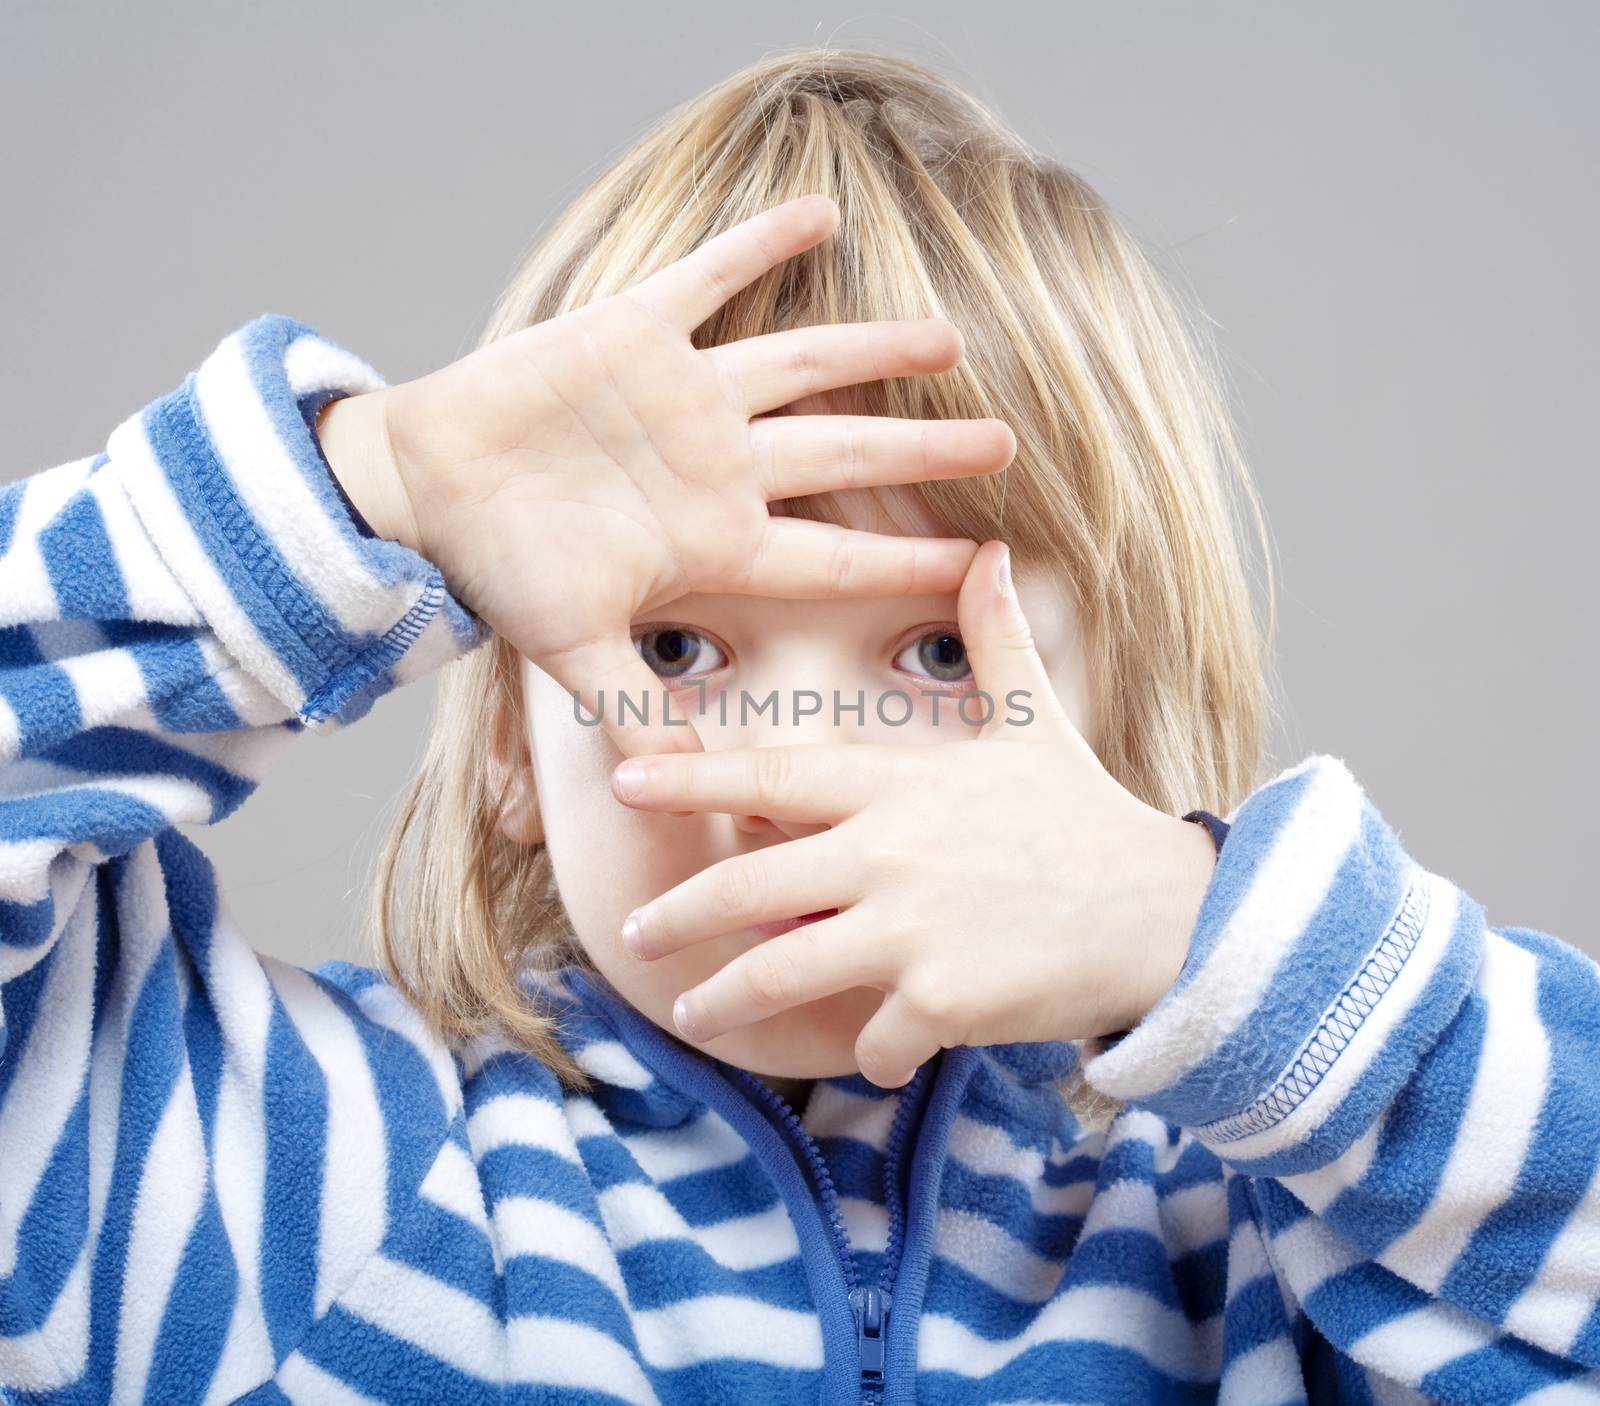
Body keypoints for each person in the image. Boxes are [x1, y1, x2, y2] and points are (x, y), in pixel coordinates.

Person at [1, 47, 1594, 1406]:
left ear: (1121, 736)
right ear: (505, 745)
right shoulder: (312, 1184)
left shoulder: (1271, 1249)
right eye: (681, 639)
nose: (803, 771)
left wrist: (1199, 929)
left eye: (935, 651)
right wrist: (379, 491)